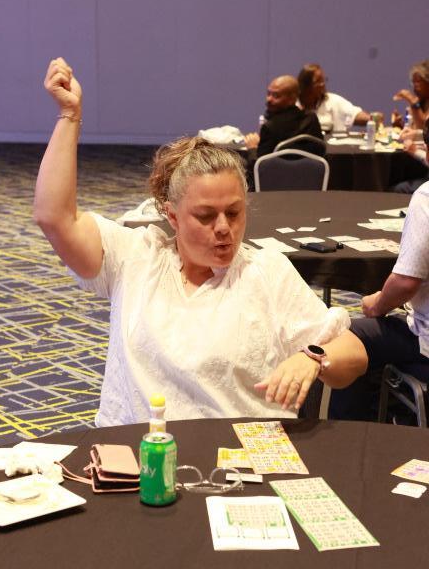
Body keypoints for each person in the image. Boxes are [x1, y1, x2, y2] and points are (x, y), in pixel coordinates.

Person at [35, 58, 367, 427]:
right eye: (206, 216)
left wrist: (313, 357)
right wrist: (69, 116)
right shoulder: (135, 257)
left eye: (234, 212)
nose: (224, 228)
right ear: (172, 216)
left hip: (242, 451)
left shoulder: (265, 271)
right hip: (140, 449)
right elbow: (55, 218)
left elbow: (354, 353)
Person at [329, 122, 429, 421]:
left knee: (346, 340)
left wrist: (377, 304)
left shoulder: (426, 198)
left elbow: (406, 282)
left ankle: (353, 436)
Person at [243, 75, 323, 161]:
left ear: (292, 99)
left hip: (277, 170)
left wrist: (252, 148)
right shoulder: (312, 120)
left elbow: (259, 167)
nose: (269, 99)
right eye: (268, 94)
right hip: (311, 170)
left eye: (276, 96)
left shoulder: (270, 128)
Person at [298, 64, 370, 133]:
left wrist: (372, 120)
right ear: (305, 85)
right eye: (318, 81)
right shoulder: (295, 105)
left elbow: (355, 114)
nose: (322, 84)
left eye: (323, 80)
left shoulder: (333, 101)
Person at [393, 59, 429, 130]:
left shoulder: (415, 104)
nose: (415, 86)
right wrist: (399, 126)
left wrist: (413, 101)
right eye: (413, 82)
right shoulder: (418, 103)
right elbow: (413, 129)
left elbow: (424, 130)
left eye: (418, 81)